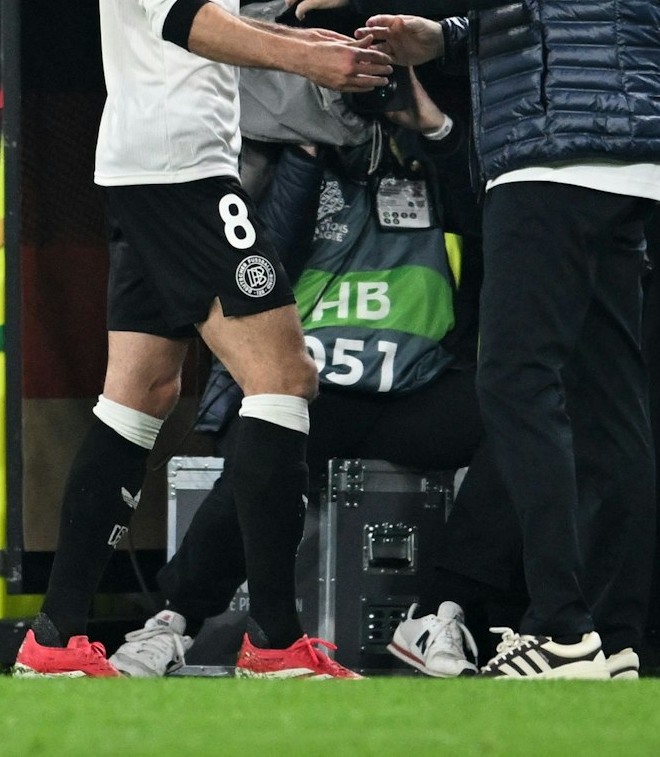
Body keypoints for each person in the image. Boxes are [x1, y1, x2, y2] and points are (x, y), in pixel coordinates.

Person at [282, 0, 660, 681]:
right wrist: (442, 37)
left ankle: (565, 628)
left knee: (514, 382)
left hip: (561, 157)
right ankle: (615, 636)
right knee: (605, 406)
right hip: (610, 159)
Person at [12, 0, 391, 681]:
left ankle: (54, 638)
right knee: (283, 373)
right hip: (180, 169)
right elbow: (179, 10)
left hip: (145, 161)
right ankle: (273, 640)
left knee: (136, 391)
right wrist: (310, 57)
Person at [112, 64, 516, 680]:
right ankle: (172, 623)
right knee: (257, 453)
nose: (349, 99)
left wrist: (432, 124)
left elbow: (491, 217)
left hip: (415, 386)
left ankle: (438, 612)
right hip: (307, 389)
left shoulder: (422, 157)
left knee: (524, 423)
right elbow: (262, 253)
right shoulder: (268, 155)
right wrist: (304, 141)